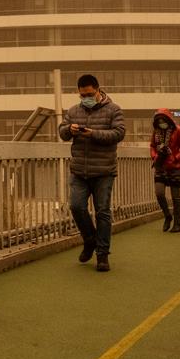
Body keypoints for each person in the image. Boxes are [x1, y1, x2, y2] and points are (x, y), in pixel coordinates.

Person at [59, 74, 126, 271]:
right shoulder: (73, 111)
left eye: (89, 94)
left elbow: (119, 133)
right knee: (76, 206)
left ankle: (102, 255)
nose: (86, 98)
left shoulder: (114, 109)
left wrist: (93, 134)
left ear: (98, 91)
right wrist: (69, 130)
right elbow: (62, 132)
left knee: (102, 212)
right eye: (82, 95)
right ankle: (90, 240)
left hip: (104, 170)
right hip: (79, 170)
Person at [150, 109, 180, 233]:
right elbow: (152, 146)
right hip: (160, 166)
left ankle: (177, 224)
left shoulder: (178, 131)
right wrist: (154, 156)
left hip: (175, 167)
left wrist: (175, 157)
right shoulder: (156, 132)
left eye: (163, 120)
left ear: (168, 120)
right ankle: (167, 216)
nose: (162, 123)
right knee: (159, 193)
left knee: (175, 197)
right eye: (159, 121)